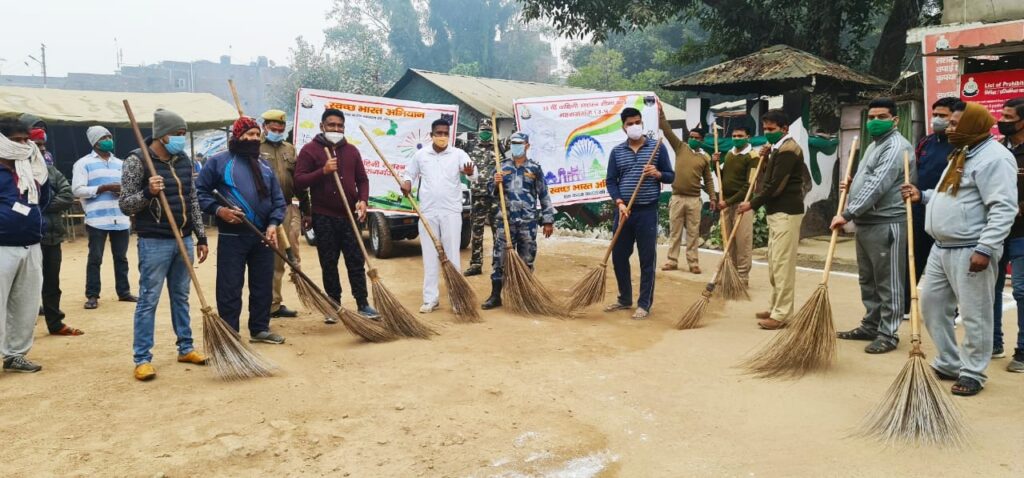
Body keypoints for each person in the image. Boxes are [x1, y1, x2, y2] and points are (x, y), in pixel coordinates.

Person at [901, 102, 1017, 396]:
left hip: (971, 248)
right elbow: (951, 195)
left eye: (954, 124)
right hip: (942, 247)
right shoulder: (963, 152)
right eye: (949, 122)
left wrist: (986, 247)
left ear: (973, 125)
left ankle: (973, 372)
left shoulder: (995, 158)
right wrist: (923, 195)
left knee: (975, 313)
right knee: (931, 306)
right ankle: (951, 361)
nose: (948, 128)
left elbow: (1003, 208)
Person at [120, 108, 209, 381]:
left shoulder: (183, 160)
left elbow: (192, 200)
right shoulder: (137, 161)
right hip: (154, 241)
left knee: (181, 297)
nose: (182, 139)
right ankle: (142, 358)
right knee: (148, 300)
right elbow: (125, 204)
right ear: (162, 135)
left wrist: (201, 235)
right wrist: (148, 191)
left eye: (184, 134)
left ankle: (186, 347)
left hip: (183, 238)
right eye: (178, 134)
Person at [830, 97, 915, 354]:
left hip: (887, 222)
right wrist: (853, 185)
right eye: (873, 118)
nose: (875, 122)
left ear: (895, 119)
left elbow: (878, 184)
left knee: (888, 281)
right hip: (867, 222)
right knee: (868, 279)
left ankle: (888, 333)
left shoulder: (897, 147)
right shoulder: (873, 145)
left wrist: (848, 212)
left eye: (882, 117)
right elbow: (869, 179)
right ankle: (870, 324)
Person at [197, 116, 288, 345]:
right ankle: (230, 334)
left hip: (262, 237)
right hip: (232, 236)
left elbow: (278, 200)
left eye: (257, 135)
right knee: (230, 286)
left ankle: (260, 329)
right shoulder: (218, 162)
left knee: (262, 285)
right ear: (237, 137)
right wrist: (219, 211)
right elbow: (199, 193)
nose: (254, 139)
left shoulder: (265, 166)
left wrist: (273, 224)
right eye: (249, 135)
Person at [293, 109, 379, 321]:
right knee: (329, 262)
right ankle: (334, 305)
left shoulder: (351, 151)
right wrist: (322, 170)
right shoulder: (310, 151)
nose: (336, 129)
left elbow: (363, 180)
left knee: (355, 261)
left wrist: (363, 200)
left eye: (340, 126)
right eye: (331, 125)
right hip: (324, 217)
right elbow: (299, 181)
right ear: (322, 126)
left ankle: (362, 303)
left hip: (349, 216)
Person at [737, 109, 808, 330]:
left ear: (784, 128)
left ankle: (782, 314)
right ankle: (776, 306)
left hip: (787, 212)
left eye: (772, 129)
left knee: (782, 265)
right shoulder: (778, 148)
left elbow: (775, 185)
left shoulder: (788, 149)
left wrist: (752, 203)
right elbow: (769, 176)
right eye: (765, 129)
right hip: (776, 213)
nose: (767, 133)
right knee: (775, 264)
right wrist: (767, 157)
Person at [604, 107, 675, 320]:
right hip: (624, 212)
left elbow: (671, 176)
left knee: (647, 259)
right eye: (629, 123)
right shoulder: (617, 152)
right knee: (618, 257)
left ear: (642, 123)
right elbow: (610, 181)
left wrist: (658, 173)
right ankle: (624, 298)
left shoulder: (656, 148)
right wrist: (619, 202)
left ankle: (644, 304)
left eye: (637, 122)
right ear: (623, 127)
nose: (634, 126)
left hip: (647, 212)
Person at [401, 118, 477, 313]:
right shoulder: (421, 155)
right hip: (427, 212)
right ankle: (430, 299)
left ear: (449, 135)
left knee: (452, 256)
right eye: (438, 133)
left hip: (451, 212)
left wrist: (469, 173)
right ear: (432, 134)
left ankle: (457, 298)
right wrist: (407, 182)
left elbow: (473, 175)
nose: (442, 136)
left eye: (445, 133)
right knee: (429, 255)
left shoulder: (458, 154)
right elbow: (409, 174)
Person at [482, 132, 556, 309]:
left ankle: (525, 295)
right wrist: (495, 183)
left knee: (526, 259)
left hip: (527, 222)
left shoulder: (534, 169)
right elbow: (490, 193)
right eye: (513, 143)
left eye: (519, 143)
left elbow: (544, 194)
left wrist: (548, 220)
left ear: (527, 145)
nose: (516, 146)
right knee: (500, 259)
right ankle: (495, 295)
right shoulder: (502, 167)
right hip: (505, 222)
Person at [0, 119, 51, 373]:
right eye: (17, 140)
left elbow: (44, 200)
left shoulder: (32, 169)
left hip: (31, 244)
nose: (24, 145)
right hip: (2, 247)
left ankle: (15, 355)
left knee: (26, 304)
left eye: (26, 139)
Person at [72, 125, 135, 309]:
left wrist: (122, 191)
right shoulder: (83, 163)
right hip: (97, 220)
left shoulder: (121, 164)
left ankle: (123, 292)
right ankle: (92, 295)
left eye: (109, 136)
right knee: (95, 258)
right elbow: (77, 189)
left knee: (121, 258)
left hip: (120, 217)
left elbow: (129, 188)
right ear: (94, 142)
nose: (108, 140)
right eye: (103, 138)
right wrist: (103, 188)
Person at [907, 97, 959, 318]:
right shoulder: (925, 143)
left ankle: (951, 310)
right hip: (920, 210)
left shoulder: (960, 145)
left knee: (948, 263)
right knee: (913, 257)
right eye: (935, 114)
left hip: (948, 213)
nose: (937, 119)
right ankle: (906, 305)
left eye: (943, 116)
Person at [32, 129, 82, 336]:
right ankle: (20, 332)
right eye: (37, 145)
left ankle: (55, 323)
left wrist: (40, 205)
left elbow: (67, 195)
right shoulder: (12, 171)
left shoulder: (51, 172)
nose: (42, 149)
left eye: (43, 145)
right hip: (26, 239)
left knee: (52, 282)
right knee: (24, 285)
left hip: (51, 235)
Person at [260, 109, 305, 319]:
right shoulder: (255, 149)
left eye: (280, 129)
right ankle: (262, 304)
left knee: (281, 258)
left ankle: (274, 304)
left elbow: (297, 182)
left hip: (285, 208)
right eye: (273, 129)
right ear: (264, 127)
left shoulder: (290, 149)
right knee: (263, 259)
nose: (277, 132)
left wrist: (307, 208)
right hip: (262, 209)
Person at [659, 107, 716, 273]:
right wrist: (661, 114)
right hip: (677, 197)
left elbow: (709, 179)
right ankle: (672, 261)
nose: (692, 139)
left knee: (693, 233)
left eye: (696, 138)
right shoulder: (680, 147)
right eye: (690, 136)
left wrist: (712, 197)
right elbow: (667, 130)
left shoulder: (704, 157)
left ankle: (693, 263)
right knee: (675, 232)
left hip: (694, 199)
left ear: (702, 140)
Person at [993, 97, 1024, 371]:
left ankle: (1023, 351)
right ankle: (993, 343)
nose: (1002, 121)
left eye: (1009, 117)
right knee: (991, 288)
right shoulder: (998, 148)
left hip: (1022, 232)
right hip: (996, 231)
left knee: (1022, 291)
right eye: (1001, 116)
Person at [714, 124, 760, 285]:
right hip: (726, 203)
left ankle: (742, 277)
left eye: (740, 136)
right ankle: (730, 273)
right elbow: (723, 175)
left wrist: (728, 201)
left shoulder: (753, 157)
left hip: (742, 204)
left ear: (748, 137)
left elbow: (749, 185)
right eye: (734, 136)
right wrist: (715, 164)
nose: (736, 139)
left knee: (742, 241)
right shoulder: (729, 154)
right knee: (728, 241)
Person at [464, 119, 498, 277]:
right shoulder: (470, 145)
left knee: (498, 231)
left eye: (488, 130)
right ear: (478, 130)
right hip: (478, 195)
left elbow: (517, 140)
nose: (485, 133)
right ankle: (476, 264)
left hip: (495, 194)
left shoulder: (498, 146)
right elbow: (451, 143)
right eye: (483, 130)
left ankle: (499, 263)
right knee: (477, 231)